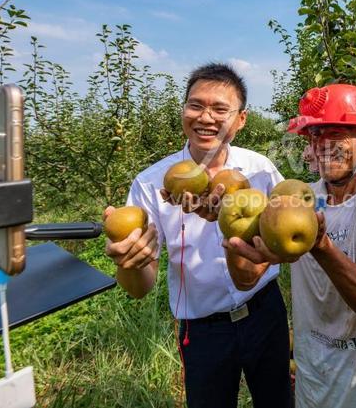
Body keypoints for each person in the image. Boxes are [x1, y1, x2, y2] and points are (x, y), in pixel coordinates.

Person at [226, 84, 356, 408]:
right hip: (317, 381)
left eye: (337, 134)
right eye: (316, 135)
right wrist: (228, 233)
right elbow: (246, 278)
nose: (323, 145)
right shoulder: (295, 199)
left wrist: (322, 247)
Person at [103, 63, 291, 408]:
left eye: (220, 109)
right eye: (196, 105)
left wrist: (249, 257)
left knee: (278, 400)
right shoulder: (151, 183)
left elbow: (280, 240)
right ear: (183, 110)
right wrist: (129, 261)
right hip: (203, 330)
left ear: (241, 120)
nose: (206, 117)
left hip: (265, 313)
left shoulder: (260, 169)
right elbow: (139, 288)